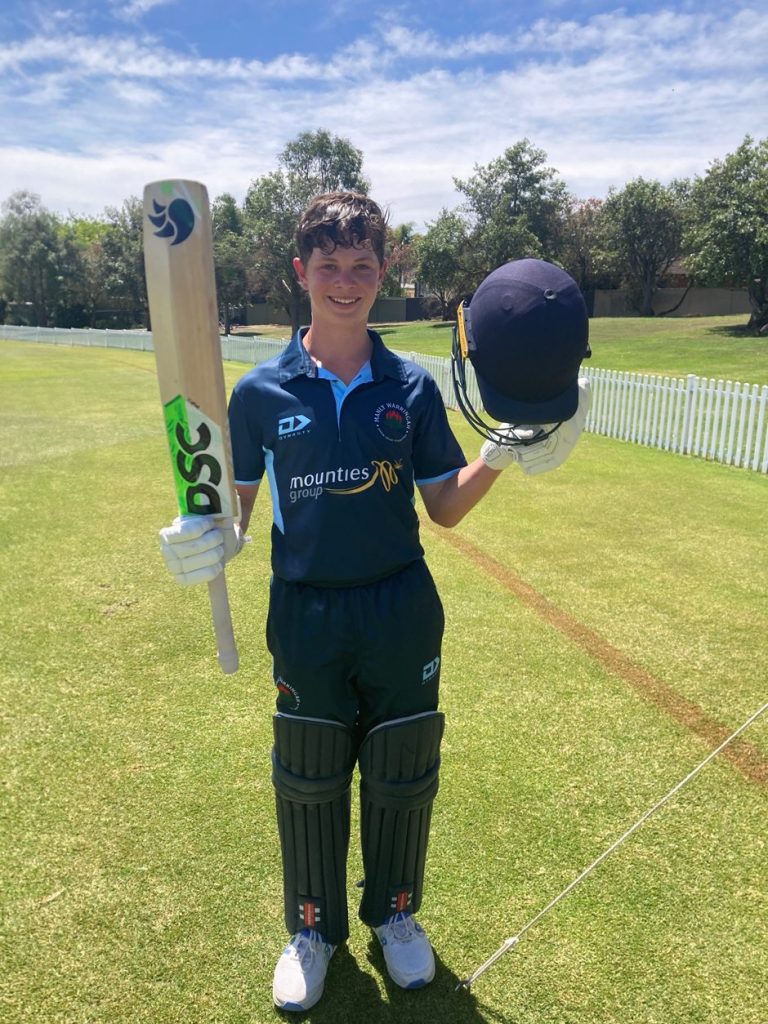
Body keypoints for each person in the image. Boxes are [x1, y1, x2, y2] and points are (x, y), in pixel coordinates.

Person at [158, 192, 591, 1012]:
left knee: (403, 769)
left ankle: (395, 915)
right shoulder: (258, 393)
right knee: (308, 774)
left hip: (400, 609)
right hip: (307, 613)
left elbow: (444, 507)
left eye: (362, 265)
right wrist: (206, 536)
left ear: (382, 271)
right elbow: (235, 513)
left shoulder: (411, 386)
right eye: (330, 265)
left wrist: (500, 453)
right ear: (302, 272)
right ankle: (312, 931)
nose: (346, 281)